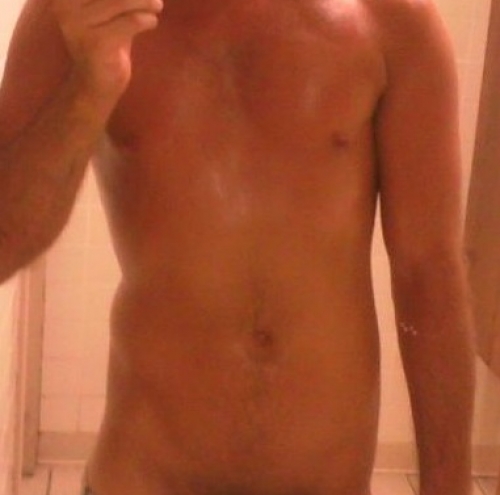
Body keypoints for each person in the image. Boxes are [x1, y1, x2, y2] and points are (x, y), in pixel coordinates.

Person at [0, 0, 475, 493]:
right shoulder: (80, 13)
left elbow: (429, 273)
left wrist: (447, 485)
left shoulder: (393, 19)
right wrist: (87, 87)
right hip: (144, 478)